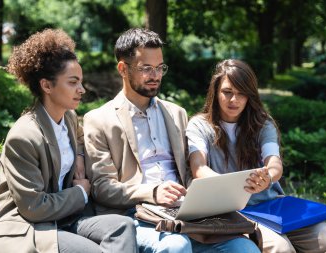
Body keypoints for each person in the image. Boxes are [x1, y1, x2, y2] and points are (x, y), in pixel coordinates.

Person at [83, 28, 260, 253]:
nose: (155, 75)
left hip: (186, 215)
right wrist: (153, 192)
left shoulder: (177, 113)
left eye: (159, 68)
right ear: (122, 69)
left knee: (245, 249)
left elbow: (189, 170)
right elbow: (102, 188)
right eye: (146, 68)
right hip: (134, 215)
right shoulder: (99, 119)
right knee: (176, 246)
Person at [0, 29, 138, 253]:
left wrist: (79, 155)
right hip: (28, 227)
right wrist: (81, 192)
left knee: (122, 227)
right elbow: (33, 208)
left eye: (81, 82)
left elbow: (78, 137)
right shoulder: (23, 137)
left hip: (63, 218)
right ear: (47, 86)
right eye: (73, 82)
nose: (81, 90)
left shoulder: (68, 117)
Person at [186, 58, 326, 253]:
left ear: (250, 96)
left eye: (241, 94)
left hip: (271, 207)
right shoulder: (199, 125)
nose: (234, 100)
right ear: (215, 92)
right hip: (232, 212)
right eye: (227, 92)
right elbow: (198, 167)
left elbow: (274, 164)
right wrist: (229, 186)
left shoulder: (263, 124)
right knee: (281, 249)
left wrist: (268, 178)